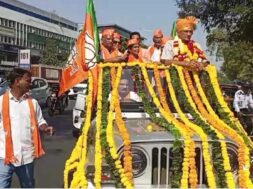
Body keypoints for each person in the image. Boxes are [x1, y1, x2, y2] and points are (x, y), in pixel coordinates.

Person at [0, 68, 54, 188]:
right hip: (4, 156)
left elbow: (40, 121)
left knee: (28, 186)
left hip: (26, 156)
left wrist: (45, 128)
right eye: (28, 81)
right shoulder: (1, 102)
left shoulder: (32, 103)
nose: (31, 84)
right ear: (18, 81)